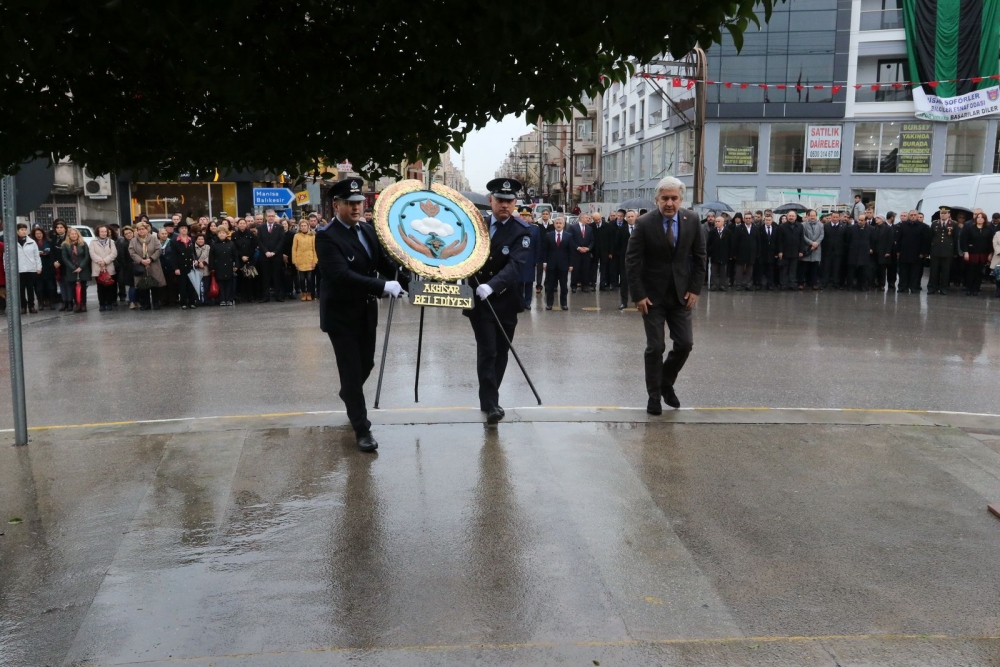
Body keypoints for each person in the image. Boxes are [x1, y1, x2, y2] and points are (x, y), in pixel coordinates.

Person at [315, 179, 406, 452]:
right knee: (352, 371)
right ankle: (362, 429)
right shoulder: (326, 236)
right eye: (350, 203)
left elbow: (383, 263)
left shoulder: (366, 230)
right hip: (341, 314)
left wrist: (409, 275)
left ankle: (348, 393)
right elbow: (341, 275)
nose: (357, 208)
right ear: (336, 205)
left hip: (366, 312)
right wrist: (382, 286)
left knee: (366, 364)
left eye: (359, 203)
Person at [625, 176, 706, 415]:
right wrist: (638, 295)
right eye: (665, 198)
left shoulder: (692, 220)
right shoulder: (644, 223)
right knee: (655, 346)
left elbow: (700, 258)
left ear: (681, 199)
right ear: (656, 200)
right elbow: (632, 261)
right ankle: (653, 397)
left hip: (681, 296)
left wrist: (695, 289)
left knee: (685, 344)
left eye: (674, 198)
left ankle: (665, 384)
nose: (669, 203)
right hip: (652, 298)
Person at [466, 178, 532, 425]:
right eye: (500, 200)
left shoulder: (521, 230)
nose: (504, 205)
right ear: (491, 201)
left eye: (509, 201)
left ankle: (490, 397)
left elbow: (516, 265)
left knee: (502, 352)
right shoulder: (477, 226)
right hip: (479, 301)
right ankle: (491, 402)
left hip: (505, 300)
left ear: (515, 203)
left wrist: (492, 286)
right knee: (487, 351)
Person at [129, 222, 165, 310]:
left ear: (147, 230)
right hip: (141, 266)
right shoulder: (133, 241)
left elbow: (158, 250)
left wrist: (151, 259)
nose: (141, 231)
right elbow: (132, 252)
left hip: (153, 264)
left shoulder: (154, 238)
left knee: (155, 285)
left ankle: (156, 303)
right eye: (139, 229)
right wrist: (141, 261)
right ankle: (146, 304)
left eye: (143, 229)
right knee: (143, 285)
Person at [542, 215, 572, 310]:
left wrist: (571, 264)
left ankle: (564, 303)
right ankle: (549, 303)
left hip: (563, 265)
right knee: (550, 286)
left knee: (564, 286)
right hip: (551, 264)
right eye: (557, 223)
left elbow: (570, 251)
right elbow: (545, 250)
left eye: (560, 223)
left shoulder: (568, 236)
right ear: (554, 224)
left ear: (563, 225)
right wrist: (545, 262)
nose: (558, 225)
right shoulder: (549, 235)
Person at [960, 211, 993, 296]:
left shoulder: (988, 229)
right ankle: (969, 288)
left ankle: (976, 288)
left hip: (983, 253)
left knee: (979, 272)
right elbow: (964, 240)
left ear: (985, 219)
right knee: (971, 271)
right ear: (975, 219)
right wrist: (965, 251)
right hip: (972, 253)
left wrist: (990, 253)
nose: (980, 219)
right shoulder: (970, 228)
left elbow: (990, 242)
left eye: (982, 217)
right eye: (978, 217)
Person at [257, 208, 286, 302]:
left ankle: (278, 296)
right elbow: (259, 241)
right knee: (265, 277)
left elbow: (281, 241)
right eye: (269, 216)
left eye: (272, 216)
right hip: (264, 256)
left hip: (276, 256)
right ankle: (265, 296)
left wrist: (274, 252)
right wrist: (266, 252)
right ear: (266, 217)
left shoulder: (279, 227)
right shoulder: (260, 228)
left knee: (277, 276)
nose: (271, 218)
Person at [896, 210, 927, 293]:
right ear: (909, 216)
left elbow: (925, 241)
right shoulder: (903, 225)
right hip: (904, 252)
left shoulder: (923, 226)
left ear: (917, 216)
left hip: (916, 253)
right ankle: (902, 287)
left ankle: (913, 287)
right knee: (903, 272)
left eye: (915, 215)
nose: (913, 216)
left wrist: (922, 252)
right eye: (911, 215)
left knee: (915, 272)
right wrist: (898, 251)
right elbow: (898, 239)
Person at [89, 224, 118, 312]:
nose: (104, 233)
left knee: (109, 286)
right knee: (100, 287)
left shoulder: (111, 242)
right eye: (102, 231)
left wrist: (105, 261)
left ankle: (109, 303)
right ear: (98, 232)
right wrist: (100, 262)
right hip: (98, 267)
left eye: (105, 231)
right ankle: (102, 304)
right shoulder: (93, 242)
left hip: (108, 266)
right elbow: (92, 253)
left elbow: (114, 253)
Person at [61, 226, 91, 312]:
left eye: (75, 234)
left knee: (83, 288)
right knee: (73, 288)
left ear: (78, 235)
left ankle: (83, 304)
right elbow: (65, 258)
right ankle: (77, 304)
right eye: (72, 234)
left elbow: (86, 256)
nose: (74, 236)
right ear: (69, 235)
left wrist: (81, 267)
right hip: (71, 270)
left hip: (83, 269)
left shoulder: (83, 244)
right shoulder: (65, 245)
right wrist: (73, 268)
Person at [926, 207, 954, 295]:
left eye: (945, 213)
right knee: (934, 271)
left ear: (949, 214)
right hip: (935, 251)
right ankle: (932, 287)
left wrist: (955, 252)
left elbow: (955, 238)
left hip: (947, 251)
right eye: (941, 213)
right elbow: (930, 238)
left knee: (945, 271)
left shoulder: (953, 224)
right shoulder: (935, 224)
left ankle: (944, 288)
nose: (943, 215)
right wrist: (928, 251)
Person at [15, 223, 41, 314]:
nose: (24, 231)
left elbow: (36, 255)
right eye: (21, 230)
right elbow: (6, 257)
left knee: (30, 288)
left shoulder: (32, 242)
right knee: (21, 289)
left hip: (31, 269)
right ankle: (23, 306)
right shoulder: (13, 242)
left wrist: (38, 267)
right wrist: (8, 269)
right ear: (17, 231)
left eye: (25, 229)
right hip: (19, 269)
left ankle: (31, 306)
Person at [171, 222, 198, 309]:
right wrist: (176, 268)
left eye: (185, 228)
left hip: (190, 265)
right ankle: (183, 302)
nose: (184, 230)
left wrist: (196, 260)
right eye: (182, 228)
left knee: (191, 284)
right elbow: (173, 255)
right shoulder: (174, 241)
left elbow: (194, 252)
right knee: (182, 285)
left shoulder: (191, 240)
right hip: (181, 265)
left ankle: (192, 302)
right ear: (179, 230)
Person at [232, 217, 258, 304]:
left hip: (249, 259)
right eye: (240, 223)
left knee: (250, 278)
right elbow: (234, 247)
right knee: (240, 278)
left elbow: (253, 246)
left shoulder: (251, 234)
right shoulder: (234, 235)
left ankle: (250, 296)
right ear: (237, 225)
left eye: (244, 223)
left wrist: (247, 256)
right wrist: (241, 256)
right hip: (239, 259)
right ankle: (242, 296)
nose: (242, 225)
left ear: (246, 224)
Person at [211, 226, 238, 306]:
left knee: (229, 283)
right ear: (217, 234)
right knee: (220, 284)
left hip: (229, 266)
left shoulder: (231, 244)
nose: (222, 235)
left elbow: (235, 255)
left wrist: (236, 265)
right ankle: (222, 299)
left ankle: (229, 299)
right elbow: (211, 257)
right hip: (218, 266)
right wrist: (212, 268)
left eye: (223, 233)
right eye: (220, 233)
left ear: (226, 234)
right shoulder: (214, 244)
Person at [291, 218, 318, 301]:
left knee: (310, 279)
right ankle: (304, 293)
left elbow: (315, 249)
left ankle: (309, 293)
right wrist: (294, 261)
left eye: (305, 225)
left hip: (310, 259)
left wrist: (315, 261)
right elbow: (294, 248)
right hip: (300, 260)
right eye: (301, 226)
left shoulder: (312, 235)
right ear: (299, 227)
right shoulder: (296, 236)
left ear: (308, 226)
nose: (303, 227)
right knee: (301, 279)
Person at [846, 213, 873, 291]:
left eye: (862, 220)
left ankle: (862, 286)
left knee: (863, 270)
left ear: (865, 221)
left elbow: (872, 240)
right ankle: (850, 286)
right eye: (859, 220)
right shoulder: (851, 228)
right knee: (851, 270)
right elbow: (848, 240)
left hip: (864, 252)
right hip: (853, 251)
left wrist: (870, 248)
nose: (860, 222)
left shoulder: (871, 229)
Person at [731, 212, 758, 291]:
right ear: (743, 219)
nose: (748, 220)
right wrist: (734, 253)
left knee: (750, 269)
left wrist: (758, 252)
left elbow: (758, 241)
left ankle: (748, 284)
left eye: (749, 218)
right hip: (741, 253)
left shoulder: (755, 228)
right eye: (746, 218)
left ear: (752, 219)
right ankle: (738, 284)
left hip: (751, 253)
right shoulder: (739, 228)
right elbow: (734, 241)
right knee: (739, 269)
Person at [778, 211, 804, 291]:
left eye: (793, 216)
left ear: (796, 217)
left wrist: (801, 251)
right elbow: (779, 240)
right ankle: (783, 284)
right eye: (789, 216)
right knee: (784, 269)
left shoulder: (800, 226)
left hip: (795, 251)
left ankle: (792, 284)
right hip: (785, 251)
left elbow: (801, 239)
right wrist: (780, 251)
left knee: (793, 269)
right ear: (787, 216)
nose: (791, 217)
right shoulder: (782, 226)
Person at [31, 227, 56, 309]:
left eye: (40, 233)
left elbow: (53, 252)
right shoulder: (32, 243)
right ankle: (41, 302)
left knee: (50, 285)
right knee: (39, 286)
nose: (39, 235)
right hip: (37, 267)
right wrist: (39, 253)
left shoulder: (49, 242)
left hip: (48, 266)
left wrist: (47, 252)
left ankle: (51, 302)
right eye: (37, 234)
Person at [799, 209, 824, 290]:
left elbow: (822, 235)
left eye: (814, 215)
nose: (812, 217)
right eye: (811, 215)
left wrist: (816, 243)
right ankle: (801, 283)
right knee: (803, 268)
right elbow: (802, 236)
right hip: (807, 248)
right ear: (808, 216)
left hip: (816, 248)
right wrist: (811, 243)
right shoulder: (803, 225)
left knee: (814, 268)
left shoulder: (820, 225)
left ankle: (814, 283)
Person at [617, 210, 638, 307]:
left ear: (635, 217)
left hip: (638, 260)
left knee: (638, 281)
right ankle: (624, 302)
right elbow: (618, 244)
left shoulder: (640, 228)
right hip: (625, 260)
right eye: (628, 217)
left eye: (632, 216)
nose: (630, 218)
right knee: (624, 282)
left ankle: (638, 301)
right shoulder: (622, 229)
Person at [706, 215, 732, 292]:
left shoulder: (728, 232)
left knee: (723, 270)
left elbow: (731, 244)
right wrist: (708, 253)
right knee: (714, 270)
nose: (717, 223)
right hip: (715, 254)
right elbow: (708, 243)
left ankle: (722, 285)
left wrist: (730, 254)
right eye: (716, 221)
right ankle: (713, 284)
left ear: (723, 222)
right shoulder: (712, 232)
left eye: (718, 221)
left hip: (724, 254)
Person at [569, 213, 593, 293]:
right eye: (587, 218)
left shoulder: (589, 228)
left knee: (586, 269)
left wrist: (588, 248)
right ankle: (573, 286)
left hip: (586, 253)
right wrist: (578, 247)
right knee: (575, 270)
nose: (588, 219)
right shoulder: (573, 227)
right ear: (581, 218)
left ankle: (585, 286)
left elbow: (592, 240)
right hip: (576, 252)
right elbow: (570, 239)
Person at [50, 219, 70, 311]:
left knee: (68, 284)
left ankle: (70, 302)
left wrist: (60, 262)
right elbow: (52, 252)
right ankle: (64, 302)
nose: (59, 229)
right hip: (57, 267)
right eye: (57, 228)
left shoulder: (68, 238)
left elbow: (67, 253)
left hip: (67, 265)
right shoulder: (54, 238)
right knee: (61, 285)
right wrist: (54, 261)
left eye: (61, 227)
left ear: (65, 228)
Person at [592, 212, 615, 290]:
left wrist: (611, 252)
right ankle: (593, 284)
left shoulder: (608, 226)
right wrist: (590, 252)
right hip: (594, 251)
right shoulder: (591, 226)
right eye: (595, 220)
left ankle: (602, 284)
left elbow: (611, 240)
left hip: (605, 251)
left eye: (598, 219)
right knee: (594, 268)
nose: (597, 221)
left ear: (601, 217)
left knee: (604, 268)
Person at [871, 215, 894, 291]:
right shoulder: (876, 228)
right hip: (875, 251)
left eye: (878, 218)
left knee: (882, 269)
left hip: (883, 252)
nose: (876, 219)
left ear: (882, 220)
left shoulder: (888, 228)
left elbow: (890, 241)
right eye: (876, 218)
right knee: (875, 268)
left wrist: (888, 251)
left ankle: (882, 284)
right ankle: (876, 283)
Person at [757, 212, 780, 290]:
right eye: (766, 220)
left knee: (770, 269)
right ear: (764, 220)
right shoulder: (760, 228)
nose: (767, 221)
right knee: (760, 269)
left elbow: (778, 241)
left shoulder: (776, 229)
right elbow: (758, 241)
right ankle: (759, 284)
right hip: (762, 253)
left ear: (772, 220)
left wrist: (777, 252)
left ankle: (770, 284)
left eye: (769, 220)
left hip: (772, 253)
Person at [534, 209, 552, 293]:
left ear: (549, 215)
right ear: (541, 215)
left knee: (549, 269)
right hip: (540, 249)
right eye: (543, 214)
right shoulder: (537, 225)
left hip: (549, 250)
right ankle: (538, 286)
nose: (545, 215)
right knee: (539, 269)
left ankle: (547, 284)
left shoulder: (552, 225)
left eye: (546, 214)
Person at [193, 234, 211, 304]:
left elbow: (210, 256)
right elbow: (192, 256)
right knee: (197, 286)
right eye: (199, 239)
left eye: (202, 239)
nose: (200, 240)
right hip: (196, 269)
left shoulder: (208, 247)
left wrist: (203, 263)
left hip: (205, 269)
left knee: (206, 285)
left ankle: (206, 300)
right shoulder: (192, 247)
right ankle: (198, 300)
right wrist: (197, 262)